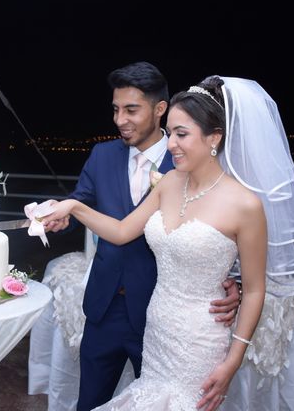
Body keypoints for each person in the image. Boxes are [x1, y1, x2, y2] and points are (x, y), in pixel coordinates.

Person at [42, 64, 241, 411]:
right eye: (116, 109)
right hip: (104, 308)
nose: (121, 119)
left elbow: (218, 227)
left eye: (131, 109)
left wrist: (231, 279)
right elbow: (83, 202)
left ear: (159, 109)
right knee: (89, 402)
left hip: (160, 315)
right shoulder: (101, 155)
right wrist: (63, 218)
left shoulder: (187, 161)